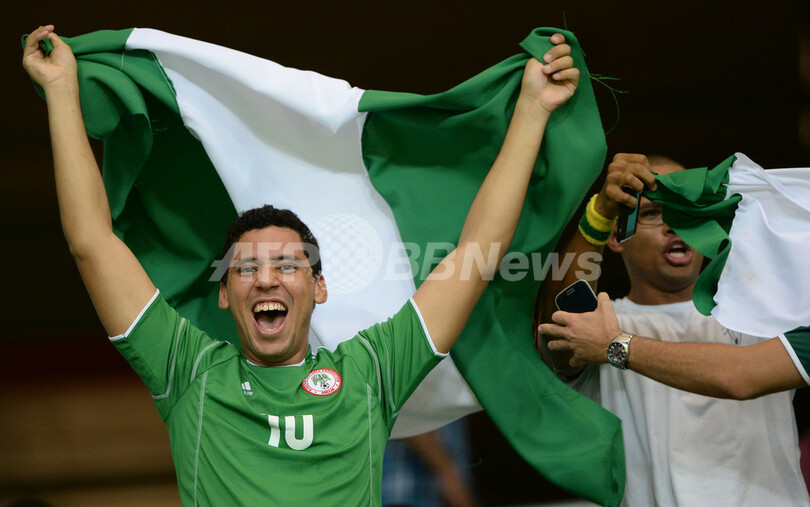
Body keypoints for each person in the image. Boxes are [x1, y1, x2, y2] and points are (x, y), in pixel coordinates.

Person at [22, 24, 579, 505]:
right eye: (246, 268)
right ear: (223, 293)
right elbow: (92, 241)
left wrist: (532, 110)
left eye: (288, 265)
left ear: (320, 288)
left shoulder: (372, 371)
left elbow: (476, 254)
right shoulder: (185, 370)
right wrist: (61, 91)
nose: (266, 278)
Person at [538, 154, 810, 506]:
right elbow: (560, 318)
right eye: (652, 213)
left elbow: (737, 376)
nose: (673, 225)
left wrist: (614, 346)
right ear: (616, 236)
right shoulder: (602, 324)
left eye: (686, 209)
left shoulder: (768, 309)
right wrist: (600, 212)